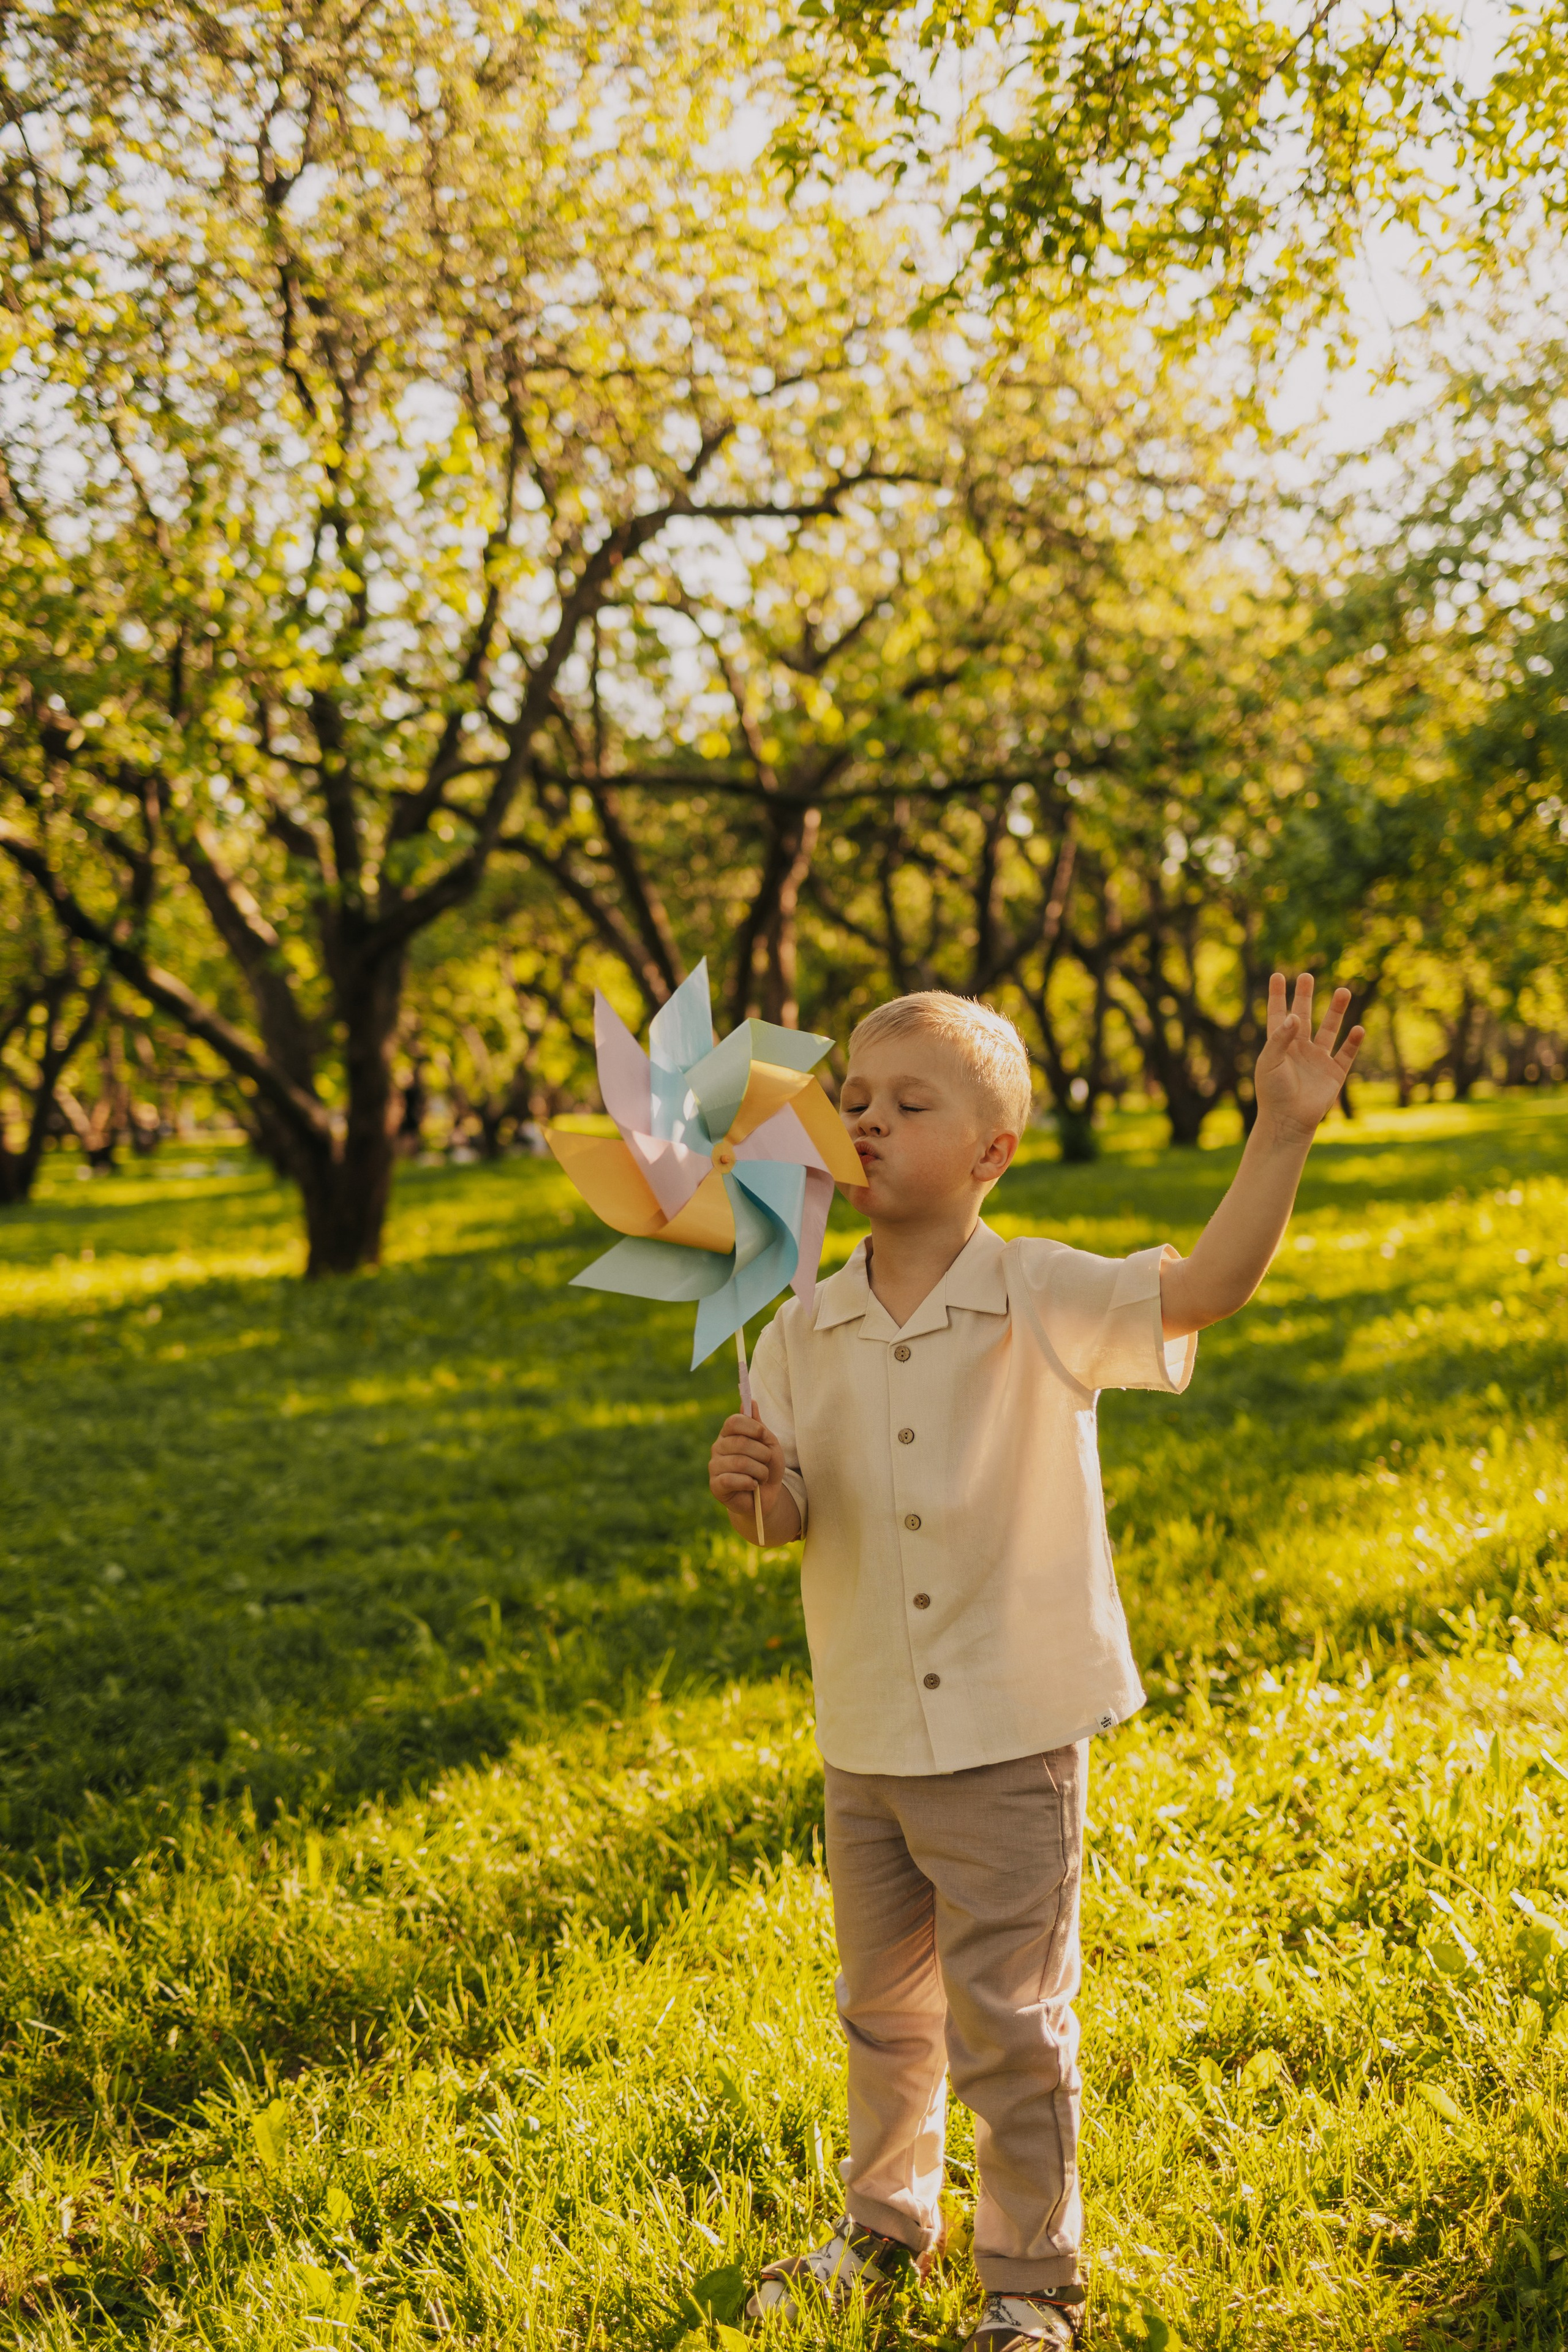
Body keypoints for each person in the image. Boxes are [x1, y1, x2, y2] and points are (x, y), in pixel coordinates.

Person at [707, 975, 1362, 2351]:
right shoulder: (794, 1327)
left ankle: (1028, 2275)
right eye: (852, 1103)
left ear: (990, 1151)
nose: (867, 1124)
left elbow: (1206, 1288)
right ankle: (885, 2224)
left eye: (906, 1103)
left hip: (1006, 1732)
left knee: (1006, 2016)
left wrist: (1280, 1133)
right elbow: (789, 1520)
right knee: (880, 2012)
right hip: (867, 1735)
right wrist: (748, 1484)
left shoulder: (1041, 1290)